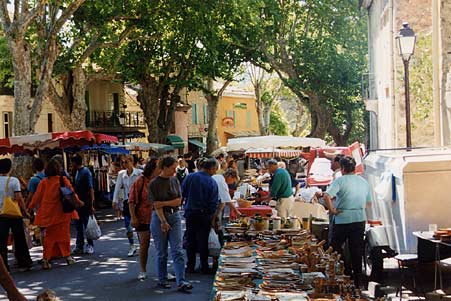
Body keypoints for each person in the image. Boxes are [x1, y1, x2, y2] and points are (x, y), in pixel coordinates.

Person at [323, 156, 372, 287]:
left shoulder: (340, 180)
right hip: (359, 218)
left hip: (343, 218)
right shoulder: (363, 182)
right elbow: (369, 203)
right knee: (356, 250)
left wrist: (332, 210)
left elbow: (326, 195)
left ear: (343, 168)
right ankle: (357, 281)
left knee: (334, 247)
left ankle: (344, 272)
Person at [28, 157, 82, 270]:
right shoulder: (63, 180)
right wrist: (78, 202)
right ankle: (67, 257)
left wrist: (29, 208)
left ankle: (46, 260)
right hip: (62, 213)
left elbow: (36, 197)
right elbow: (71, 193)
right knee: (64, 235)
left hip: (48, 214)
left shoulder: (44, 182)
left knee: (49, 238)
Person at [148, 156, 193, 293]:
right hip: (160, 217)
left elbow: (178, 201)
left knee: (177, 250)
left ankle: (181, 281)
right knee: (162, 252)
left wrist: (164, 203)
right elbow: (156, 205)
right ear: (165, 167)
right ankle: (162, 279)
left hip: (175, 216)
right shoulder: (154, 183)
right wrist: (163, 221)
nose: (175, 171)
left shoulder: (174, 180)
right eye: (173, 168)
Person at [182, 157, 219, 274]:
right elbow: (213, 203)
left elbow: (183, 193)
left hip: (190, 213)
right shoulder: (211, 182)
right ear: (212, 168)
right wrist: (213, 218)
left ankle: (190, 265)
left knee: (190, 239)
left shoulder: (190, 177)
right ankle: (204, 266)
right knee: (203, 240)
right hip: (204, 214)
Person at [128, 158, 159, 281]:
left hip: (158, 217)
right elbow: (131, 201)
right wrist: (133, 217)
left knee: (160, 245)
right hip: (143, 218)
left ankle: (162, 271)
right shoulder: (140, 181)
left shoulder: (160, 181)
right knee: (144, 244)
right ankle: (143, 270)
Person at [0, 158, 32, 272]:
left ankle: (3, 266)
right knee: (19, 238)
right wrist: (25, 211)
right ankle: (24, 261)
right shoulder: (13, 180)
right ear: (10, 168)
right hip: (14, 214)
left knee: (1, 241)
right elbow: (19, 198)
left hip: (1, 215)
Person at [113, 155, 142, 257]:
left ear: (131, 162)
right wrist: (114, 200)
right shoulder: (122, 174)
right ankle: (132, 245)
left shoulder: (139, 173)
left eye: (126, 162)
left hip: (138, 202)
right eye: (123, 162)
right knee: (128, 225)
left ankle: (141, 245)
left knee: (138, 225)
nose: (124, 164)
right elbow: (117, 187)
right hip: (127, 201)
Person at [70, 155, 95, 255]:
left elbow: (91, 188)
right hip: (78, 202)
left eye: (72, 162)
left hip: (85, 202)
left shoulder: (86, 172)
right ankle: (79, 245)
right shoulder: (76, 172)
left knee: (86, 223)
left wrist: (92, 203)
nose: (71, 165)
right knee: (78, 224)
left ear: (75, 163)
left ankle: (90, 244)